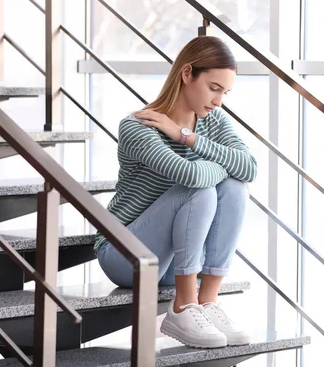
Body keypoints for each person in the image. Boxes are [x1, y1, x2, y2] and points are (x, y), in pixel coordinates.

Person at [94, 36, 257, 349]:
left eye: (225, 92)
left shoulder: (213, 121)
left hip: (175, 260)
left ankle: (207, 301)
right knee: (202, 189)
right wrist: (221, 163)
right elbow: (190, 175)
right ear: (187, 74)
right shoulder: (138, 126)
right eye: (213, 87)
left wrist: (187, 137)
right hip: (124, 254)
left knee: (236, 186)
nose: (219, 101)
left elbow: (249, 168)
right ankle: (183, 305)